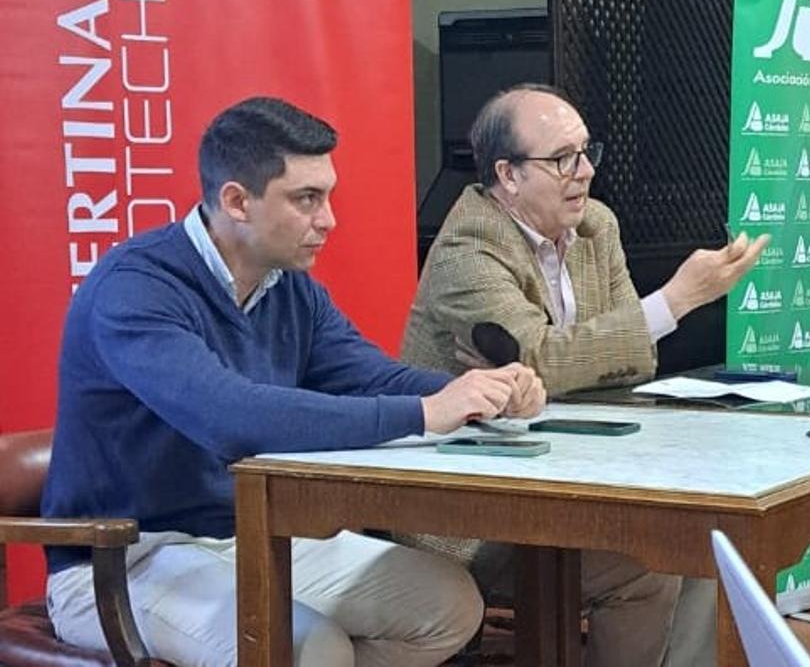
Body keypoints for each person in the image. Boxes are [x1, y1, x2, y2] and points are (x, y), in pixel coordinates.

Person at [42, 96, 546, 667]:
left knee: (449, 605)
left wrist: (483, 395)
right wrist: (429, 411)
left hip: (247, 536)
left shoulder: (289, 286)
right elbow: (231, 419)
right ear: (236, 201)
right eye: (307, 199)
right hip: (121, 561)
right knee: (311, 648)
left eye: (327, 195)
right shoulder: (136, 286)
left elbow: (369, 376)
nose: (328, 219)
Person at [402, 84, 768, 667]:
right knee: (648, 567)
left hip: (568, 466)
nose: (586, 171)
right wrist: (673, 300)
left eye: (587, 151)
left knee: (703, 541)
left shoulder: (596, 227)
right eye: (563, 159)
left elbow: (631, 359)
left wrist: (580, 355)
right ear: (509, 175)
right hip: (474, 501)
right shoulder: (468, 247)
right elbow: (547, 357)